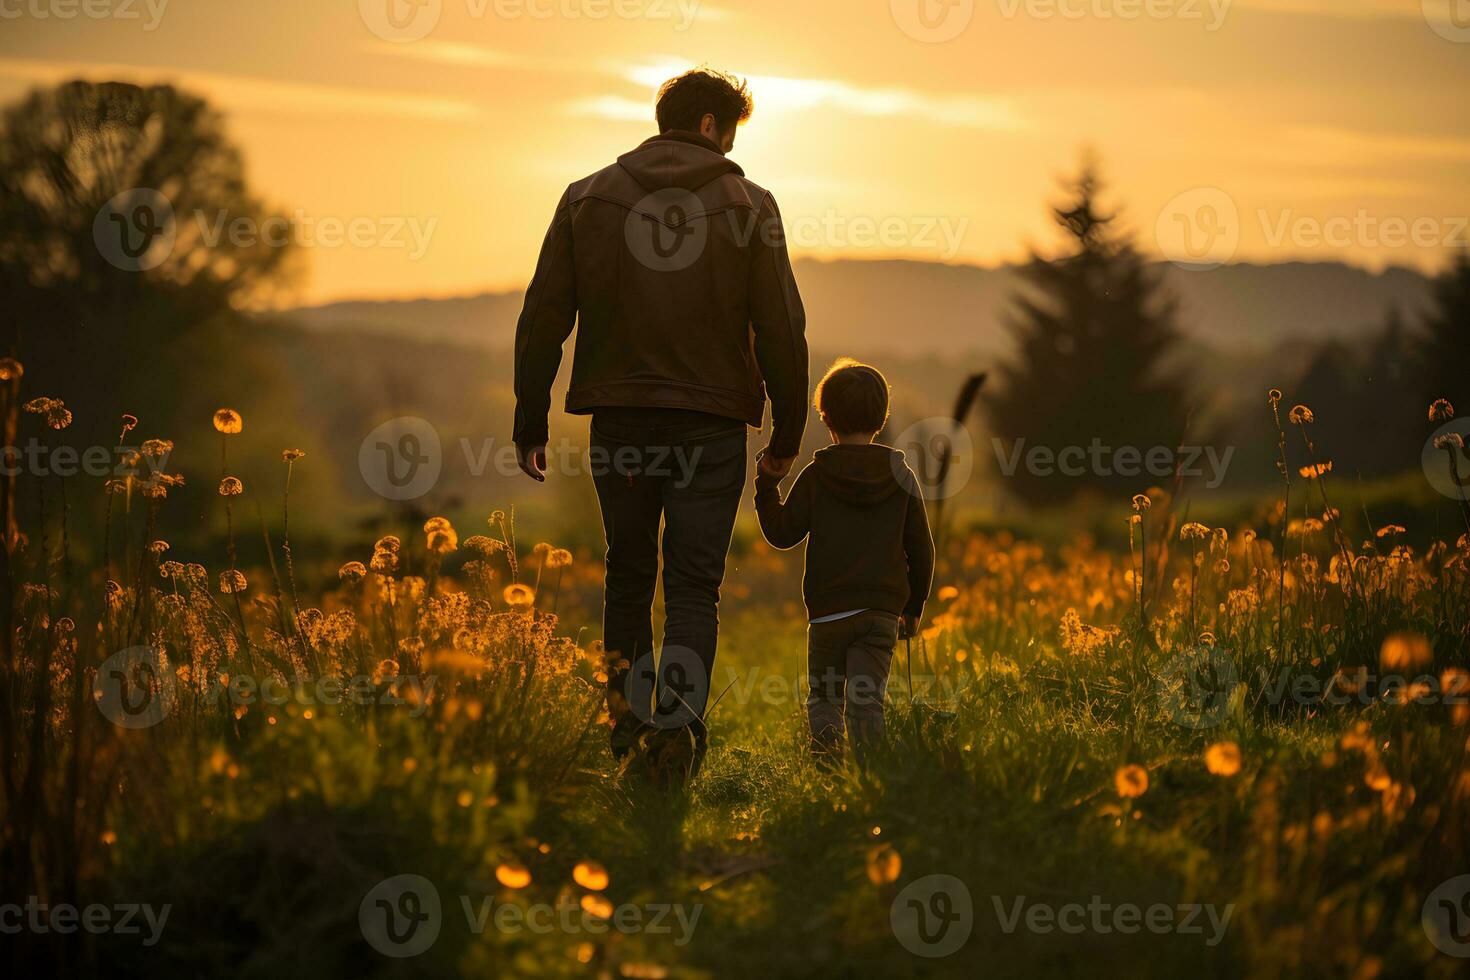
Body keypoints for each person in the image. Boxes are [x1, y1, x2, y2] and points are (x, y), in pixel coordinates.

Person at [511, 68, 809, 775]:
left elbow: (544, 316)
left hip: (619, 419)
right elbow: (781, 329)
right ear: (710, 124)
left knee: (627, 573)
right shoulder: (751, 204)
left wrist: (531, 418)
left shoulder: (586, 198)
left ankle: (625, 730)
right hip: (710, 424)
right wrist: (787, 436)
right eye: (731, 128)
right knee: (692, 585)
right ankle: (675, 731)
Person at [754, 358, 934, 762]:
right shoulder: (901, 476)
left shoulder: (817, 477)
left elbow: (783, 534)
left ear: (826, 417)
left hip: (829, 613)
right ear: (881, 417)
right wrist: (914, 605)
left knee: (825, 698)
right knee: (867, 703)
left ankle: (828, 773)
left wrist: (766, 487)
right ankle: (871, 778)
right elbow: (921, 548)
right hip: (881, 612)